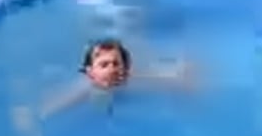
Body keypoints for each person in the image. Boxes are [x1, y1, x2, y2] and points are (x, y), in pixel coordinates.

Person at [37, 39, 196, 120]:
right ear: (91, 72)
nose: (112, 68)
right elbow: (52, 107)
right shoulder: (84, 86)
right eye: (104, 65)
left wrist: (180, 81)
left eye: (116, 64)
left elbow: (155, 81)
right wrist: (39, 116)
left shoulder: (126, 78)